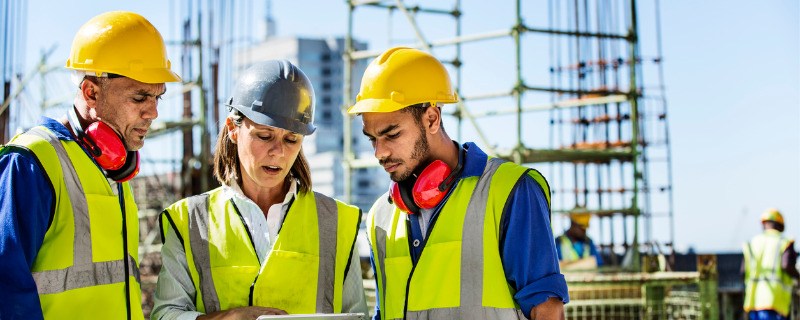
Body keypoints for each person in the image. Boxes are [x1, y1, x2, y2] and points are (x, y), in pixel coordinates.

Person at [348, 47, 568, 320]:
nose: (379, 152)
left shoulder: (511, 191)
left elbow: (546, 310)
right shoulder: (381, 216)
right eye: (372, 138)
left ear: (431, 118)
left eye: (391, 135)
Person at [152, 60, 367, 320]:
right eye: (264, 136)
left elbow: (357, 316)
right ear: (233, 129)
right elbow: (166, 315)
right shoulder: (189, 221)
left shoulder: (337, 222)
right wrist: (227, 318)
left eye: (292, 139)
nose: (278, 152)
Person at [0, 11, 180, 319]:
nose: (153, 113)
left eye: (157, 98)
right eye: (140, 98)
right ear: (91, 92)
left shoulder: (115, 170)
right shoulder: (32, 162)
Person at [742, 208, 798, 320]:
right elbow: (787, 265)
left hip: (753, 302)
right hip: (774, 301)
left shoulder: (752, 243)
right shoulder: (784, 242)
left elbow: (743, 271)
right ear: (781, 226)